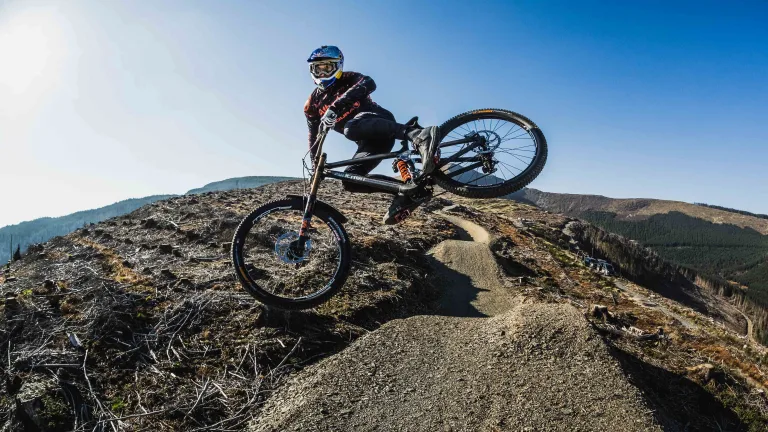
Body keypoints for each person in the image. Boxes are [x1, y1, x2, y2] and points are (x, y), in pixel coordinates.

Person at [304, 45, 440, 224]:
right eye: (317, 69)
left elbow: (369, 83)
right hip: (369, 142)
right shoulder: (312, 105)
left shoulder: (348, 78)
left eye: (327, 68)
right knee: (351, 179)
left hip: (379, 121)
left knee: (350, 128)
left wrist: (335, 107)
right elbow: (314, 136)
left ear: (338, 66)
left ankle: (417, 134)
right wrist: (315, 164)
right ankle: (406, 191)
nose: (322, 73)